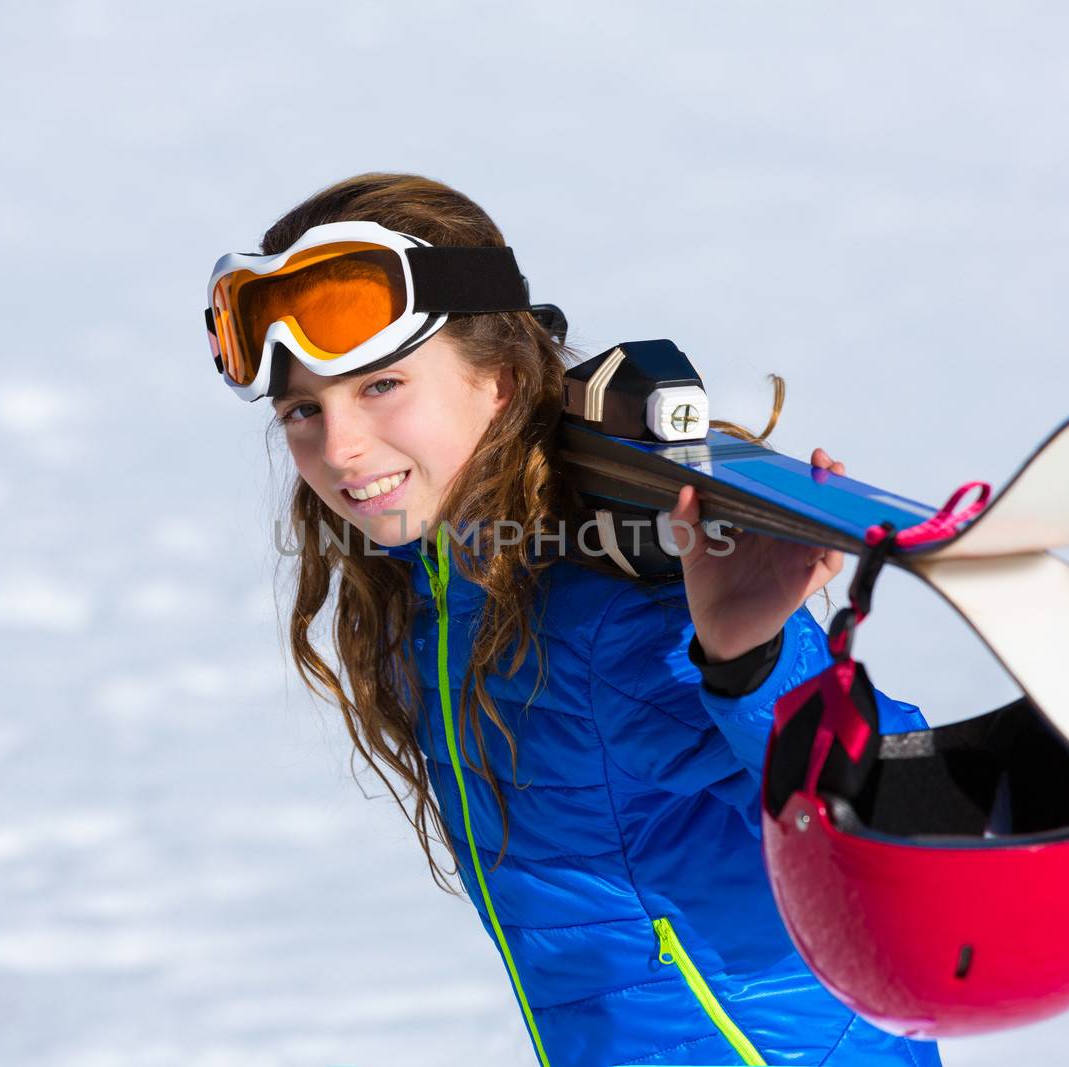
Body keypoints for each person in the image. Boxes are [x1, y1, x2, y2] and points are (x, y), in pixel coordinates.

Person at [205, 172, 943, 1066]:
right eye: (302, 410)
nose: (340, 446)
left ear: (502, 382)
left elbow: (907, 815)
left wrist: (751, 657)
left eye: (381, 385)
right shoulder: (438, 596)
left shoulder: (612, 612)